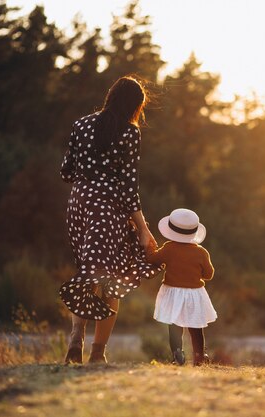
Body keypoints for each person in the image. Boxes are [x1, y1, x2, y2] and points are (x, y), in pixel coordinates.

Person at [59, 76, 162, 364]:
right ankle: (97, 353)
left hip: (78, 205)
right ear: (134, 106)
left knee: (87, 271)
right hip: (108, 209)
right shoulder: (130, 132)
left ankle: (75, 339)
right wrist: (143, 229)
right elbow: (129, 188)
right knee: (110, 280)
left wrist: (88, 181)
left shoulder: (81, 124)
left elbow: (66, 172)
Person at [144, 208, 217, 365]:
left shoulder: (169, 248)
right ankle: (199, 356)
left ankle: (177, 354)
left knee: (174, 325)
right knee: (196, 326)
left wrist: (149, 247)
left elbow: (153, 259)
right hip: (195, 293)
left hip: (173, 292)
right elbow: (209, 274)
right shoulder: (201, 252)